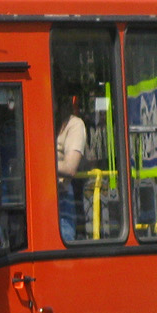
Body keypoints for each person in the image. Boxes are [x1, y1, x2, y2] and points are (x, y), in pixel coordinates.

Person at [55, 93, 87, 242]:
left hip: (62, 195)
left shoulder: (75, 125)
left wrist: (41, 163)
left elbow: (70, 167)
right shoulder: (47, 123)